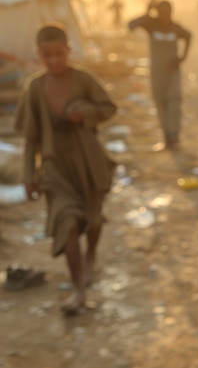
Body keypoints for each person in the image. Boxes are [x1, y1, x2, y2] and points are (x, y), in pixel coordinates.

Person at [14, 22, 117, 316]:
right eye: (48, 55)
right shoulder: (34, 88)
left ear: (68, 51)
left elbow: (109, 108)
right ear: (38, 55)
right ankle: (77, 289)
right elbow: (30, 137)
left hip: (89, 163)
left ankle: (92, 254)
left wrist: (84, 113)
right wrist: (28, 176)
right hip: (55, 167)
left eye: (60, 53)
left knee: (93, 219)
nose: (55, 60)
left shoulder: (84, 80)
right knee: (68, 222)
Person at [128, 0, 192, 149]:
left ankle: (174, 135)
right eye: (161, 12)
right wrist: (146, 12)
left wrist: (183, 57)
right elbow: (130, 25)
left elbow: (189, 36)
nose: (165, 15)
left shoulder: (175, 28)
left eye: (167, 12)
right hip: (157, 71)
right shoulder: (151, 25)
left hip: (172, 72)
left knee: (174, 102)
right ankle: (166, 136)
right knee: (160, 102)